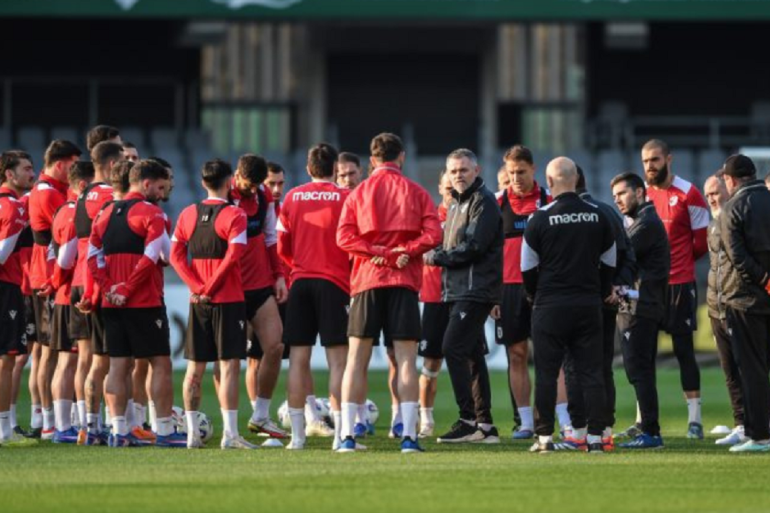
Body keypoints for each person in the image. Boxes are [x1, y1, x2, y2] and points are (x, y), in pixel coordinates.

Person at [336, 132, 442, 453]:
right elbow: (434, 234)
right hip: (403, 282)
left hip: (367, 281)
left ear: (372, 160)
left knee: (356, 360)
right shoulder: (417, 192)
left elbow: (344, 237)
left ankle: (347, 437)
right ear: (402, 157)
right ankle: (409, 436)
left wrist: (377, 251)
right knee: (407, 361)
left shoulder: (358, 192)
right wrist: (404, 251)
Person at [87, 159, 184, 447]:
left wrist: (110, 289)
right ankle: (165, 431)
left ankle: (119, 431)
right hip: (144, 302)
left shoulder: (104, 213)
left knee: (118, 365)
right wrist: (127, 289)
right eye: (160, 187)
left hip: (112, 304)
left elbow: (92, 257)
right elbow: (155, 256)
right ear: (146, 183)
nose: (162, 192)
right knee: (160, 363)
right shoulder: (152, 213)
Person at [522, 157, 616, 454]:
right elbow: (610, 262)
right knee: (592, 373)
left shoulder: (539, 218)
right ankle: (596, 437)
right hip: (587, 304)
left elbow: (527, 268)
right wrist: (600, 292)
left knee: (547, 374)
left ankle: (544, 438)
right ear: (576, 179)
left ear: (548, 182)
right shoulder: (598, 216)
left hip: (549, 306)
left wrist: (535, 296)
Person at [171, 159, 254, 450]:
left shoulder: (187, 214)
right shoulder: (235, 214)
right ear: (230, 182)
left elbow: (175, 256)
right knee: (229, 367)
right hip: (227, 299)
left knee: (194, 369)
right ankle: (230, 435)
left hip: (199, 302)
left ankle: (192, 434)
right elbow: (234, 256)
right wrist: (209, 287)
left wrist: (196, 287)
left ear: (203, 182)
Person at [424, 149, 502, 444]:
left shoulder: (484, 201)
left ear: (476, 170)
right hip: (457, 290)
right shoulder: (457, 202)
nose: (458, 175)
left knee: (452, 348)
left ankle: (467, 420)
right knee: (471, 355)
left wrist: (437, 257)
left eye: (464, 170)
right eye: (454, 171)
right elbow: (456, 246)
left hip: (474, 289)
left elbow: (474, 246)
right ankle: (485, 426)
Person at [277, 143, 351, 450]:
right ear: (335, 168)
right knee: (338, 362)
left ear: (308, 169)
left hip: (301, 282)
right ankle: (340, 436)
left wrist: (298, 266)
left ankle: (297, 437)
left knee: (298, 360)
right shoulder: (346, 197)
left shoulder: (292, 197)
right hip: (335, 283)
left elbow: (281, 245)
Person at [561, 166, 636, 451]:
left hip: (574, 302)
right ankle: (604, 431)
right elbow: (628, 256)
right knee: (602, 366)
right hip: (603, 301)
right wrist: (617, 285)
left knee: (574, 366)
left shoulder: (556, 214)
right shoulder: (607, 212)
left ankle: (580, 432)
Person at [639, 139, 709, 440]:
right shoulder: (642, 194)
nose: (650, 166)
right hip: (649, 286)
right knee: (644, 353)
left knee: (683, 351)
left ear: (669, 159)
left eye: (655, 159)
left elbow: (701, 243)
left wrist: (678, 263)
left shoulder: (689, 194)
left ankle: (695, 420)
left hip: (680, 283)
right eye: (645, 161)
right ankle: (643, 419)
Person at [229, 154, 288, 438]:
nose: (252, 190)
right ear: (237, 175)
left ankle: (261, 416)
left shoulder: (263, 195)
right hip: (229, 287)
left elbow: (270, 238)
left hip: (260, 284)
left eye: (256, 185)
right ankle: (230, 429)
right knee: (227, 358)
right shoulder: (223, 196)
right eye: (248, 185)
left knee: (275, 346)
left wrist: (278, 275)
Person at [610, 172, 669, 449]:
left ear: (640, 192)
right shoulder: (642, 222)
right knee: (640, 369)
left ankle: (651, 433)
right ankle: (646, 427)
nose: (618, 200)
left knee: (639, 369)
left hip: (640, 306)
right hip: (638, 304)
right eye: (615, 196)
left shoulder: (646, 224)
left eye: (622, 193)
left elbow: (619, 255)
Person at [71, 141, 124, 444]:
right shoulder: (106, 195)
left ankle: (88, 425)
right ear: (113, 164)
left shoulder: (83, 194)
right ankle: (105, 427)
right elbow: (100, 245)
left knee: (91, 359)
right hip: (96, 282)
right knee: (107, 360)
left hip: (80, 279)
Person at [29, 139, 82, 439]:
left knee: (47, 352)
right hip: (50, 277)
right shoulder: (49, 193)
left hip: (47, 276)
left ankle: (46, 417)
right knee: (51, 352)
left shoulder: (50, 190)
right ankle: (50, 420)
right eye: (72, 165)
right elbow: (63, 233)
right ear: (60, 164)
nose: (73, 172)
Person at [718, 154, 770, 453]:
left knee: (752, 370)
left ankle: (760, 436)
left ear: (730, 179)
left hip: (745, 299)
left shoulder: (731, 209)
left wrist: (765, 280)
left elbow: (737, 257)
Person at [49, 162, 94, 443]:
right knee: (71, 360)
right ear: (83, 185)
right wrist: (56, 282)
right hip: (71, 294)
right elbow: (65, 259)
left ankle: (68, 424)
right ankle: (66, 425)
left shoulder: (64, 210)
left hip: (66, 293)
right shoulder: (74, 212)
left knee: (69, 360)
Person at [703, 173, 746, 446]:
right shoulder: (712, 225)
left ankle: (754, 422)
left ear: (728, 190)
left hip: (736, 304)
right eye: (708, 195)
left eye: (715, 193)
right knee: (730, 371)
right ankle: (741, 423)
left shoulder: (737, 221)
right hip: (716, 306)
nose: (711, 199)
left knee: (746, 369)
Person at [0, 151, 36, 445]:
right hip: (5, 286)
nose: (31, 174)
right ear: (9, 174)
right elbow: (2, 254)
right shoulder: (14, 207)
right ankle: (3, 431)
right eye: (26, 169)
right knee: (6, 359)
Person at [417, 171, 454, 438]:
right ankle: (426, 418)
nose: (452, 192)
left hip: (462, 297)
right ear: (440, 188)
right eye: (448, 188)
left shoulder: (471, 217)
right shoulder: (429, 219)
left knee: (470, 361)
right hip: (433, 297)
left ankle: (476, 419)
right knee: (431, 363)